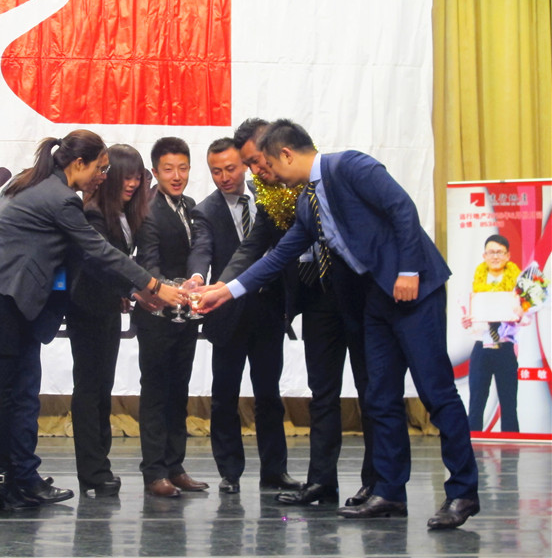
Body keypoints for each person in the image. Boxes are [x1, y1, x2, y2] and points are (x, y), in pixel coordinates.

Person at [198, 119, 480, 530]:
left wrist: (408, 270)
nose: (263, 174)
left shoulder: (350, 166)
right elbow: (278, 256)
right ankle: (389, 492)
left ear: (286, 154)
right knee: (380, 397)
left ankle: (463, 492)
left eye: (265, 165)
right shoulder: (305, 202)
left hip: (414, 292)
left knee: (436, 393)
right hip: (376, 302)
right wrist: (226, 291)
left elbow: (402, 208)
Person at [0, 130, 184, 510]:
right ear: (79, 164)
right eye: (100, 168)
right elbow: (98, 250)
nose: (104, 176)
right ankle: (2, 482)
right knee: (1, 392)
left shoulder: (29, 179)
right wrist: (153, 285)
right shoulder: (62, 198)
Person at [224, 119, 375, 505]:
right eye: (249, 164)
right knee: (322, 393)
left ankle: (377, 484)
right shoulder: (270, 194)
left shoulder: (326, 176)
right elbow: (259, 248)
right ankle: (321, 482)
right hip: (314, 297)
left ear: (277, 149)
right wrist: (222, 287)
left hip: (357, 295)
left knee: (372, 389)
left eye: (256, 160)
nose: (255, 171)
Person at [186, 137, 299, 495]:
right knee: (224, 396)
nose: (224, 177)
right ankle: (230, 472)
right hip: (227, 314)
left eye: (230, 169)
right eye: (215, 171)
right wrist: (197, 278)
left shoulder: (268, 194)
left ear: (246, 165)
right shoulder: (205, 210)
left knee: (269, 396)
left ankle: (275, 472)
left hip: (268, 311)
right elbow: (202, 249)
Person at [67, 144, 150, 496]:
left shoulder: (122, 212)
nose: (132, 184)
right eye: (125, 177)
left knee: (101, 388)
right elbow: (98, 263)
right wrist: (133, 289)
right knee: (90, 390)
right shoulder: (94, 213)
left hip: (106, 309)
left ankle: (100, 466)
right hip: (87, 309)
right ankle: (92, 471)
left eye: (137, 177)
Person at [133, 136, 208, 497]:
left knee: (179, 390)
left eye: (183, 168)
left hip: (186, 313)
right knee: (156, 391)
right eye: (168, 169)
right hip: (156, 313)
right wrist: (168, 289)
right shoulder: (148, 209)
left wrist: (195, 282)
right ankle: (154, 472)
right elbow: (148, 263)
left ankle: (175, 466)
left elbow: (200, 249)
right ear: (155, 172)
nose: (177, 176)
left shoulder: (189, 205)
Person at [462, 234, 521, 432]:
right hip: (482, 347)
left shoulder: (518, 283)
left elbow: (527, 317)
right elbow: (467, 313)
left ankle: (511, 447)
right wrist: (466, 321)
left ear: (508, 256)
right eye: (491, 252)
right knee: (476, 403)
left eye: (500, 252)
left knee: (509, 405)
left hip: (505, 347)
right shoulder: (476, 280)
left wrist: (521, 314)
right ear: (484, 255)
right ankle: (471, 445)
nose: (495, 256)